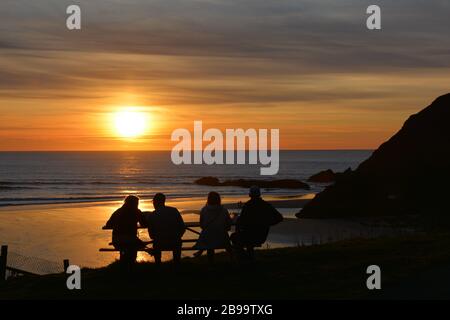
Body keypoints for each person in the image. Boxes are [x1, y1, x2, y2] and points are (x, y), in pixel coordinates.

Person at [231, 186, 283, 261]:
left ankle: (245, 258)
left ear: (250, 195)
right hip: (261, 236)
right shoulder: (266, 205)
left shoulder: (248, 206)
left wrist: (236, 220)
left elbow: (241, 221)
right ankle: (249, 257)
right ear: (259, 194)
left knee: (234, 236)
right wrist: (267, 223)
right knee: (242, 235)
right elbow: (279, 218)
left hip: (249, 235)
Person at [105, 195, 146, 267]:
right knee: (140, 245)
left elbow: (108, 224)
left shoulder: (118, 211)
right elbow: (144, 223)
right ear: (135, 203)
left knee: (133, 243)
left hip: (116, 241)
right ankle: (131, 264)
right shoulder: (136, 211)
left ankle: (124, 264)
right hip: (130, 240)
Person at [144, 193, 185, 264]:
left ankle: (158, 266)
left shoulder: (152, 215)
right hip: (175, 241)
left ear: (155, 202)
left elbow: (151, 235)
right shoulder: (174, 210)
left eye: (153, 202)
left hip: (159, 243)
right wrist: (178, 236)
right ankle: (177, 265)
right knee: (177, 245)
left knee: (156, 244)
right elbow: (182, 227)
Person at [193, 192, 233, 263]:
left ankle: (210, 264)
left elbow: (201, 225)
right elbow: (228, 224)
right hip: (222, 238)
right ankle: (233, 260)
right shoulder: (224, 210)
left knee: (209, 241)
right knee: (226, 241)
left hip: (208, 239)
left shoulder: (204, 210)